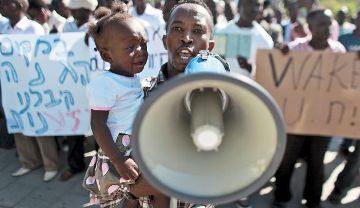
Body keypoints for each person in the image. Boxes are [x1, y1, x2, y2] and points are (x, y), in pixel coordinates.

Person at [83, 2, 169, 207]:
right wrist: (118, 160)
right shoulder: (105, 84)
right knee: (137, 194)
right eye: (130, 47)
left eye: (143, 45)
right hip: (121, 154)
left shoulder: (131, 78)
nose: (140, 51)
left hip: (136, 149)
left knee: (139, 197)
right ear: (106, 55)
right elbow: (98, 124)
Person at [273, 9, 346, 208]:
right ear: (310, 27)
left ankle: (313, 201)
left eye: (329, 23)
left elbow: (343, 85)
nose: (327, 28)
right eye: (322, 23)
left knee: (316, 162)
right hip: (295, 117)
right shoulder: (295, 49)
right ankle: (281, 197)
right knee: (287, 160)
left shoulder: (338, 51)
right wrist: (280, 55)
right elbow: (280, 76)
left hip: (322, 118)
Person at [0, 0, 59, 182]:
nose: (1, 7)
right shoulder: (4, 28)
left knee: (39, 123)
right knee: (17, 122)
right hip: (11, 86)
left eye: (5, 4)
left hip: (33, 86)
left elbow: (42, 57)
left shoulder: (33, 28)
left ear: (19, 6)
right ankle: (28, 161)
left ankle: (51, 164)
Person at [60, 0, 98, 181]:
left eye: (74, 8)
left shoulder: (99, 27)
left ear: (85, 9)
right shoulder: (67, 26)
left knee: (98, 127)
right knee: (73, 125)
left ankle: (101, 167)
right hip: (71, 85)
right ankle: (75, 164)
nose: (71, 11)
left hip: (94, 86)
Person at [327, 9, 360, 205]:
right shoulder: (344, 40)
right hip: (346, 100)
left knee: (357, 157)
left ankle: (338, 192)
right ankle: (338, 191)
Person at [215, 0, 273, 78]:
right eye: (250, 3)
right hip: (223, 85)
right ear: (239, 6)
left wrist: (249, 67)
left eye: (258, 5)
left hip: (248, 89)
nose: (254, 9)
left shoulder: (265, 40)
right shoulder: (222, 31)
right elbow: (215, 63)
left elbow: (266, 75)